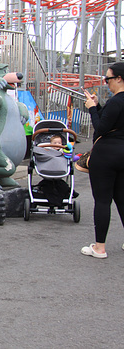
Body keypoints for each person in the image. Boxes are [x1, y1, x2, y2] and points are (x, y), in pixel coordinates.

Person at [81, 62, 124, 258]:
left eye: (108, 79)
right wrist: (98, 105)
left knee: (103, 200)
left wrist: (91, 108)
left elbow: (101, 129)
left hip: (106, 155)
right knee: (122, 198)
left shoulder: (116, 101)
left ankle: (99, 247)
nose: (106, 83)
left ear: (119, 79)